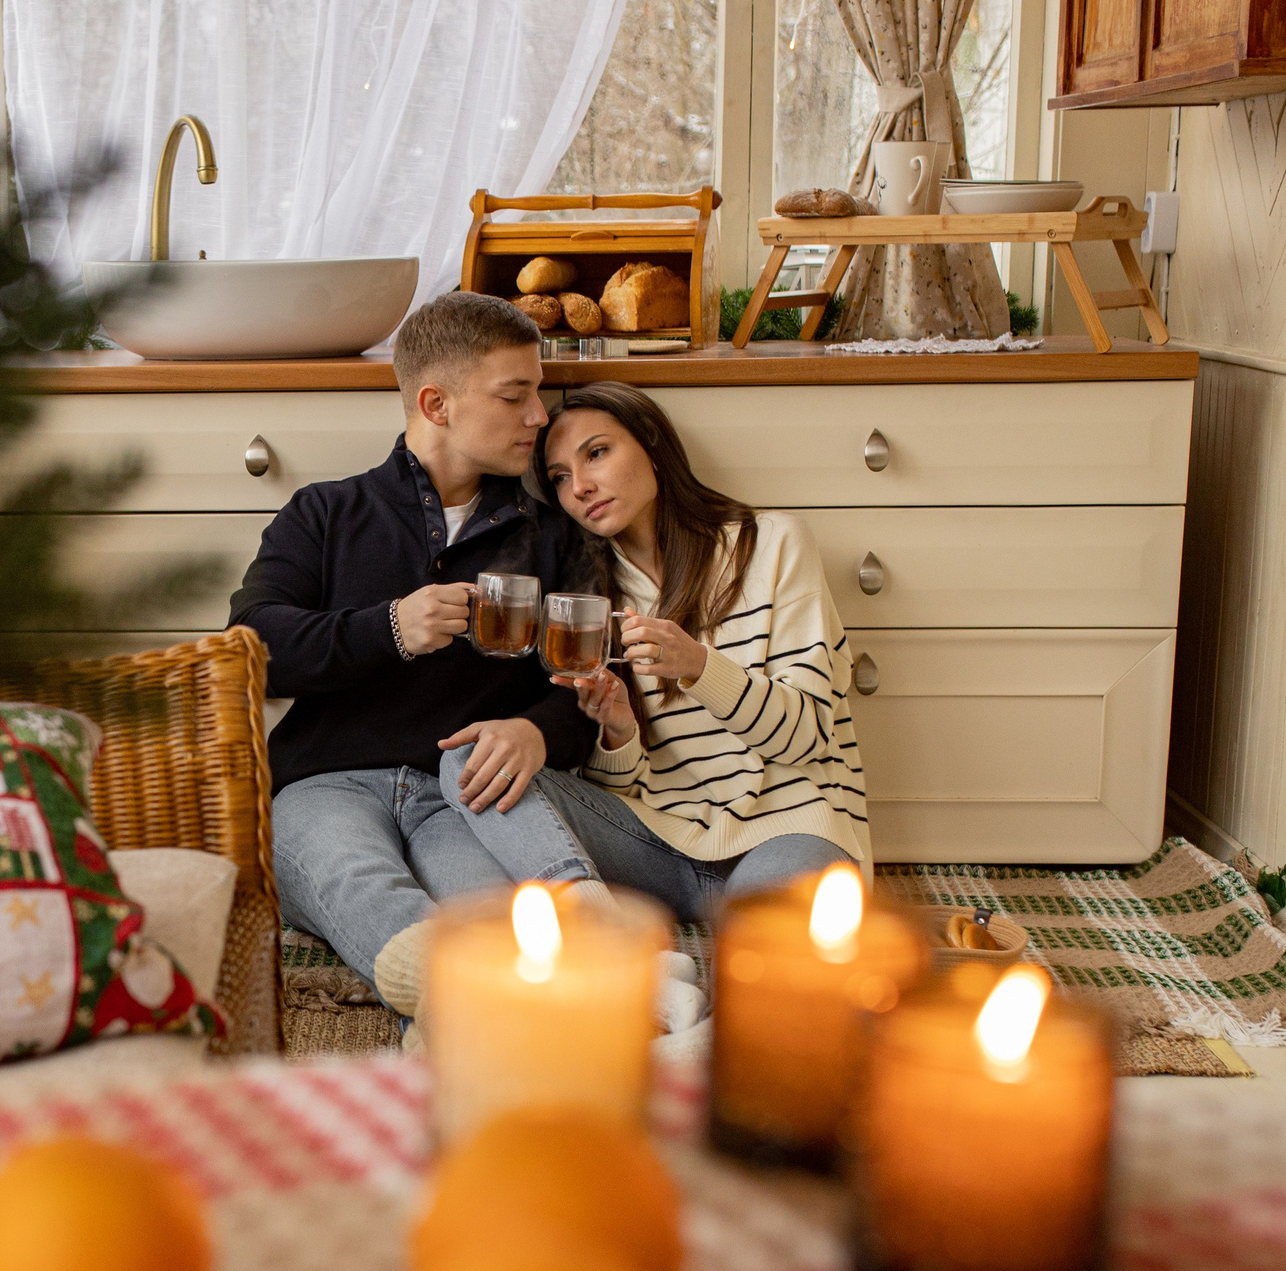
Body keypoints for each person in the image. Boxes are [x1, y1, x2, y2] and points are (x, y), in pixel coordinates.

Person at [228, 292, 594, 1017]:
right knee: (363, 887)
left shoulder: (553, 538)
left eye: (539, 394)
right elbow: (253, 647)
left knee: (492, 920)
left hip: (465, 796)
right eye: (515, 395)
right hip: (324, 785)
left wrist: (537, 730)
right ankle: (476, 1020)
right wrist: (389, 628)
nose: (540, 417)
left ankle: (475, 1030)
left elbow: (586, 689)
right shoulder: (325, 512)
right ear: (437, 402)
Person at [445, 381, 867, 919]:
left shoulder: (773, 544)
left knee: (763, 980)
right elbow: (622, 784)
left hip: (787, 833)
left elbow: (808, 738)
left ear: (651, 444)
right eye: (560, 478)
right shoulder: (586, 596)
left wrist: (698, 666)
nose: (580, 487)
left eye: (596, 453)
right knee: (468, 760)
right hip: (656, 848)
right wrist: (619, 732)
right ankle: (601, 926)